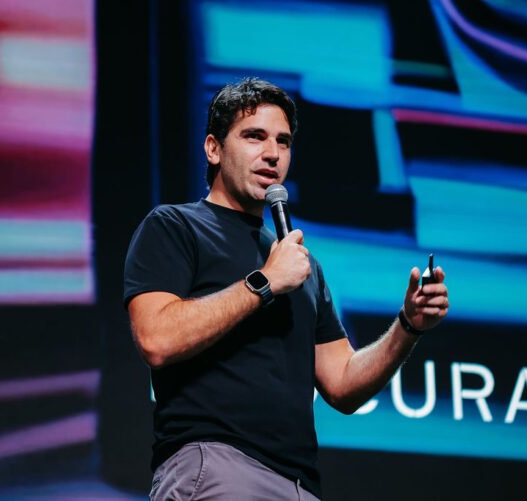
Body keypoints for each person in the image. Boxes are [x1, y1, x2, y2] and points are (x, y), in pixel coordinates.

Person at [123, 77, 449, 500]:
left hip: (299, 484)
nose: (272, 153)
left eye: (283, 141)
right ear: (213, 149)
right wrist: (264, 282)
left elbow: (343, 384)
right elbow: (157, 338)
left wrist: (409, 325)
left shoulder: (301, 266)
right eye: (254, 136)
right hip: (219, 466)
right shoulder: (175, 226)